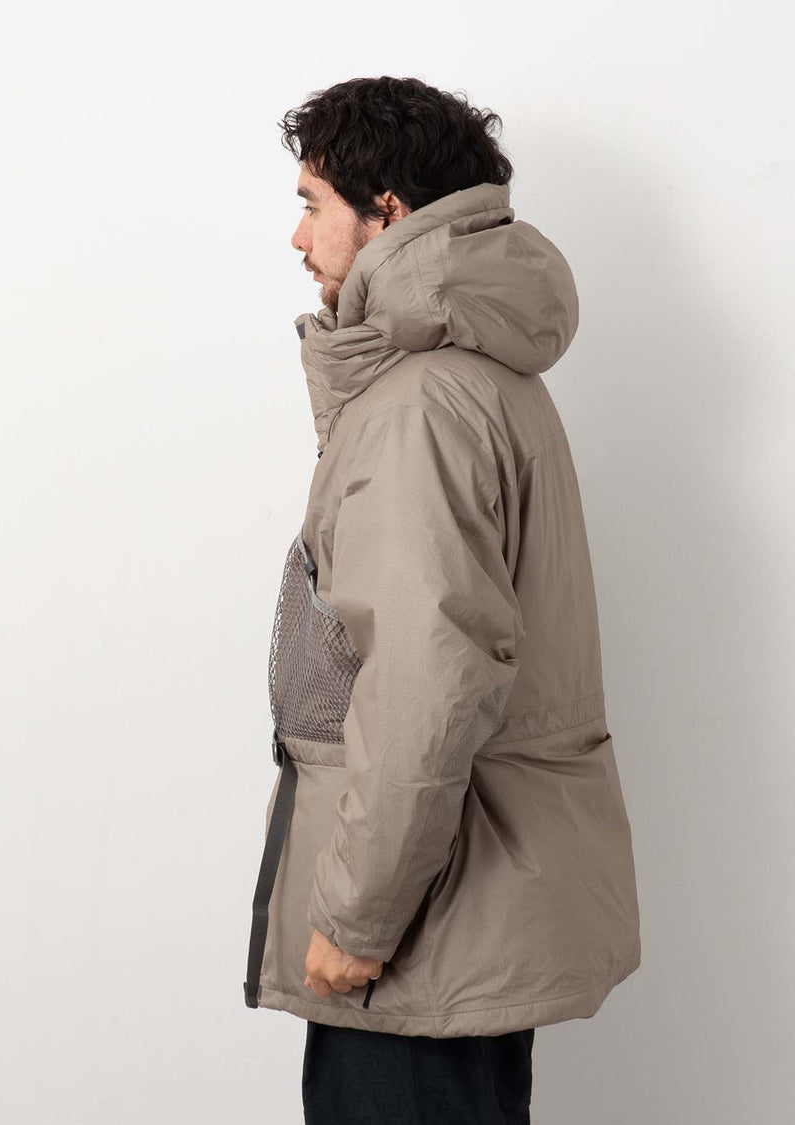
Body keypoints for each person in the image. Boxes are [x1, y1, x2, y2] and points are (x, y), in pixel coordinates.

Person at [243, 75, 642, 1125]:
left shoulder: (420, 405)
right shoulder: (487, 376)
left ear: (387, 212)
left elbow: (427, 680)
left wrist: (359, 919)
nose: (297, 237)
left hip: (423, 928)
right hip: (467, 901)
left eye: (313, 204)